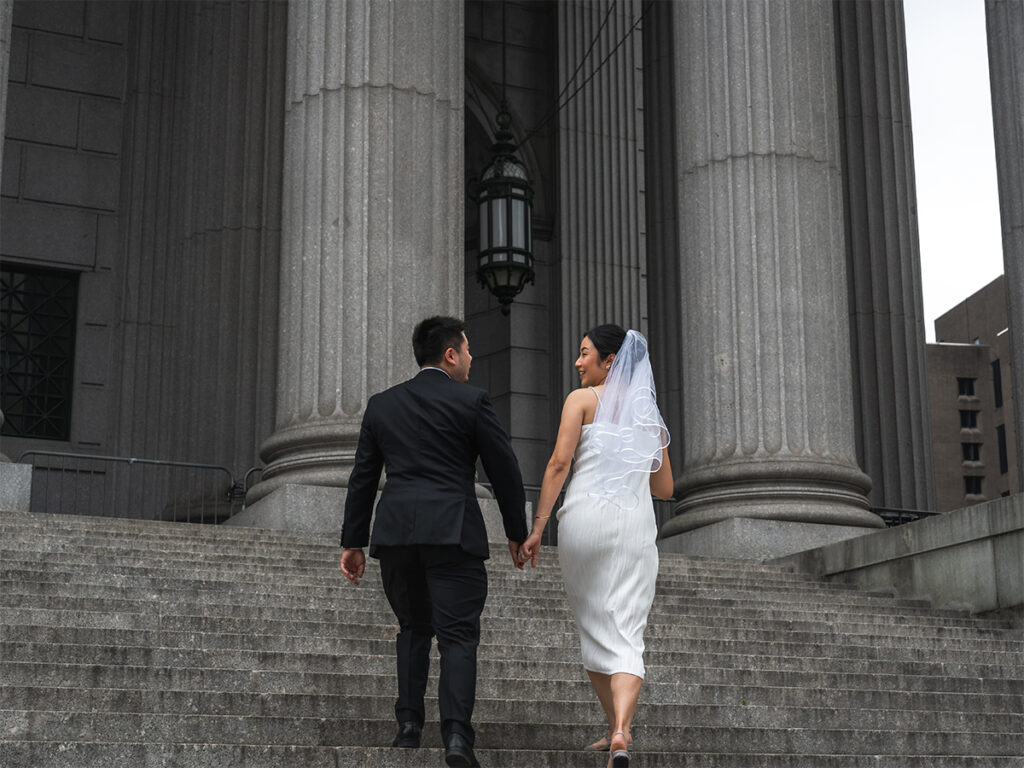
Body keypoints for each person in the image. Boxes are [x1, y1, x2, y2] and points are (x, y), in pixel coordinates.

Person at [340, 316, 529, 768]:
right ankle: (457, 738)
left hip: (397, 535)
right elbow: (504, 470)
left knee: (412, 628)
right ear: (449, 354)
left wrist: (353, 542)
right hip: (453, 533)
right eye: (466, 350)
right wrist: (516, 533)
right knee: (458, 636)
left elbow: (363, 477)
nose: (470, 358)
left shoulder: (382, 405)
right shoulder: (472, 401)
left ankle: (408, 727)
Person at [520, 325, 673, 768]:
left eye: (584, 354)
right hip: (632, 527)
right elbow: (664, 489)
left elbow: (558, 463)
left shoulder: (581, 401)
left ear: (610, 361)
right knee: (627, 629)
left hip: (584, 522)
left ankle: (613, 730)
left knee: (592, 623)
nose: (577, 362)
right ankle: (621, 731)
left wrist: (537, 527)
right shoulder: (648, 415)